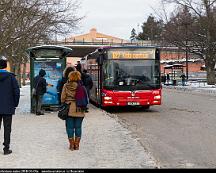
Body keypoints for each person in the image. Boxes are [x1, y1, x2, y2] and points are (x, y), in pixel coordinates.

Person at [61, 71, 88, 151]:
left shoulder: (66, 86)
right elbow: (86, 99)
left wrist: (65, 101)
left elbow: (62, 98)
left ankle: (71, 145)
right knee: (78, 127)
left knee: (69, 128)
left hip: (69, 109)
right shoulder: (82, 87)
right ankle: (77, 145)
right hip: (79, 109)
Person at [0, 57, 20, 155]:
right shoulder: (11, 77)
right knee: (7, 128)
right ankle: (6, 148)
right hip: (8, 106)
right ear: (5, 66)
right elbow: (16, 92)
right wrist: (14, 104)